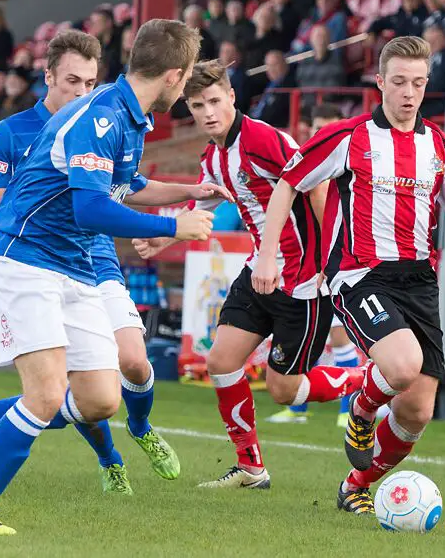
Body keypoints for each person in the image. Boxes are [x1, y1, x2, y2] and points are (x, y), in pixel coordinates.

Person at [0, 19, 212, 535]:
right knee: (46, 395)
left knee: (100, 399)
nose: (183, 94)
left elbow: (125, 188)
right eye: (184, 85)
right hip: (26, 260)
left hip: (76, 267)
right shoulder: (101, 117)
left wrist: (195, 192)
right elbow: (92, 210)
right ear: (174, 75)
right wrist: (173, 228)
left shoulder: (126, 115)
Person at [251, 36, 445, 515]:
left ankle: (355, 484)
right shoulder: (350, 137)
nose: (409, 93)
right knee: (401, 366)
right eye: (400, 82)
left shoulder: (441, 147)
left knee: (417, 411)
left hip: (419, 281)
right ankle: (362, 409)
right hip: (360, 275)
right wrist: (266, 254)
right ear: (380, 82)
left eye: (419, 83)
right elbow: (288, 182)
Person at [133, 60, 365, 490]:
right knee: (220, 361)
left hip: (302, 279)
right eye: (198, 104)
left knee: (284, 389)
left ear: (232, 98)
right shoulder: (214, 156)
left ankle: (369, 382)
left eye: (215, 101)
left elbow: (313, 185)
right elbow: (203, 204)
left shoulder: (263, 139)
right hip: (260, 270)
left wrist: (332, 262)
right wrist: (163, 240)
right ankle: (251, 468)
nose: (208, 112)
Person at [267, 103, 363, 427]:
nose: (321, 135)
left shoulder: (340, 163)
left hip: (337, 262)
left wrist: (329, 258)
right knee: (312, 339)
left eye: (328, 128)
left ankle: (348, 407)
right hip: (314, 263)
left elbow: (327, 214)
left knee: (337, 337)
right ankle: (297, 409)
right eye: (316, 128)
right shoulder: (312, 163)